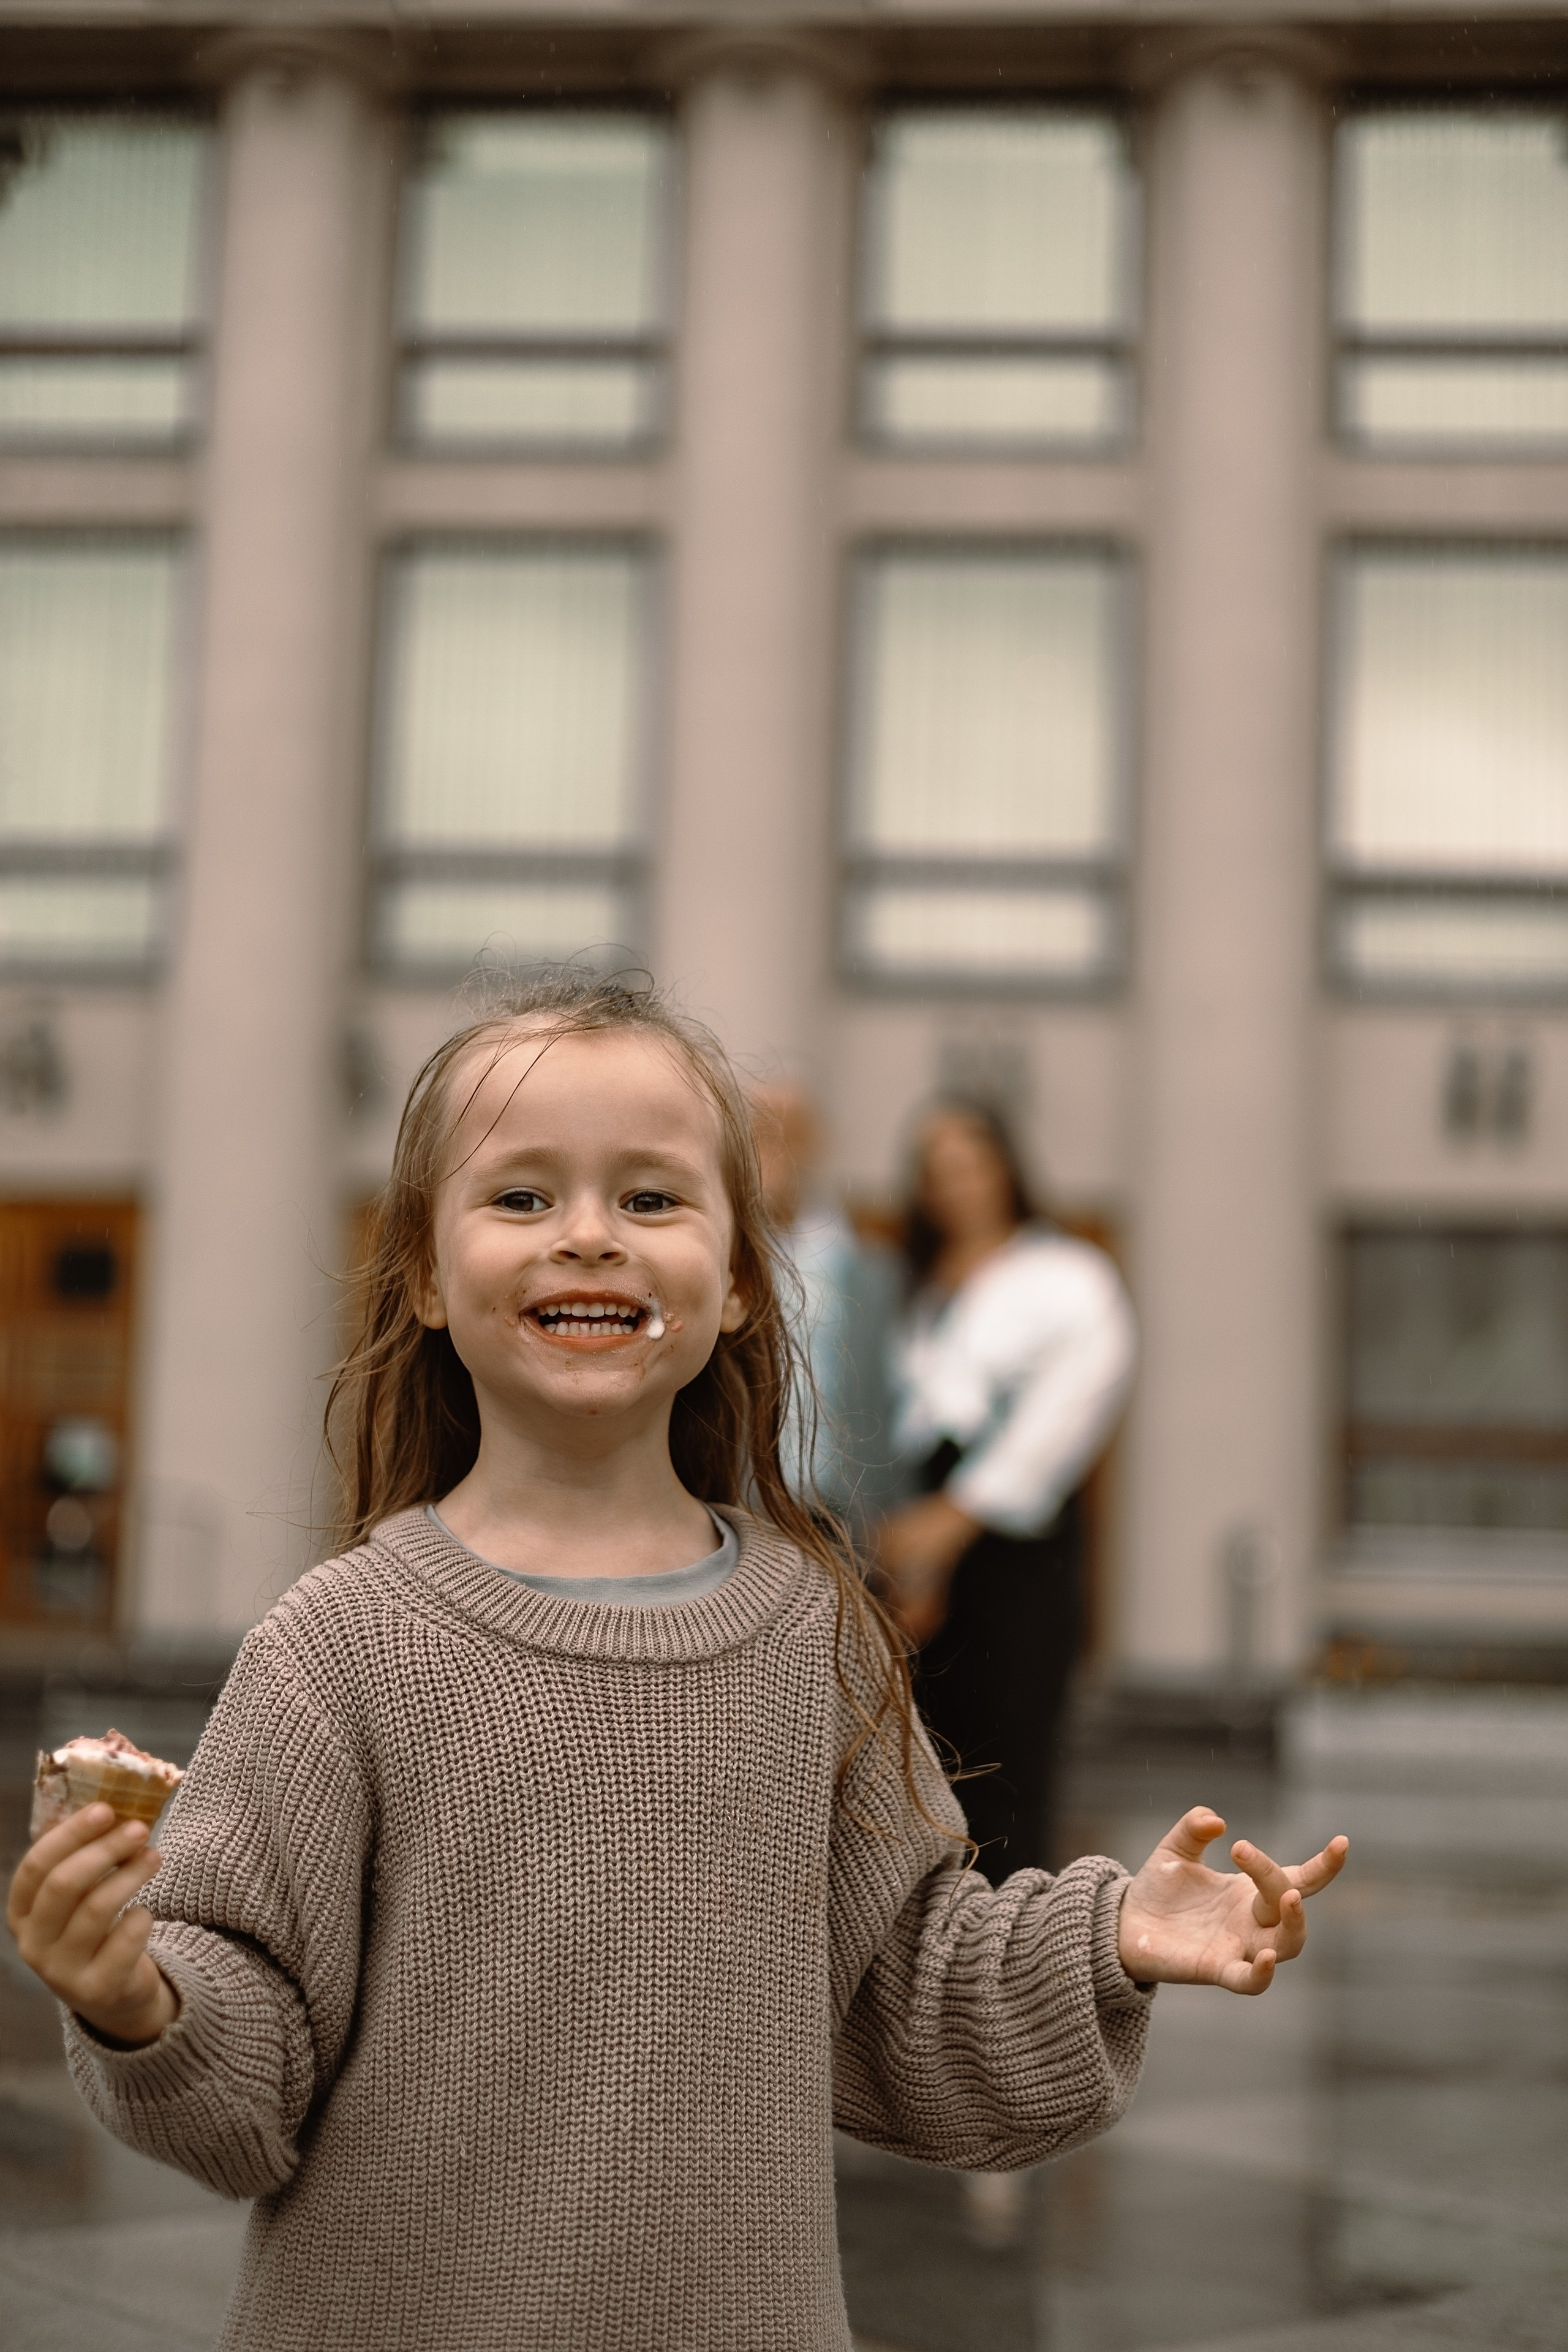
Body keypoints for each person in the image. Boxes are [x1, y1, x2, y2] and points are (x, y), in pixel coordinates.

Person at [6, 969, 1346, 2352]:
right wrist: (134, 1995)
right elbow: (248, 2078)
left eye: (650, 1198)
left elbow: (910, 1992)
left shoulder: (811, 1631)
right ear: (422, 1273)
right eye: (521, 1196)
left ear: (746, 1282)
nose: (589, 1235)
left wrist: (1107, 1937)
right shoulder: (336, 1644)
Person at [881, 1098, 1136, 1883]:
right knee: (926, 1765)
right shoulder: (912, 1289)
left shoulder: (1067, 1276)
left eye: (969, 1165)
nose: (954, 1185)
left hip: (1014, 1544)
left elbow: (1065, 1415)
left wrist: (957, 1516)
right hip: (914, 1543)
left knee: (1007, 1763)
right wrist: (912, 1549)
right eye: (937, 1171)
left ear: (1005, 1171)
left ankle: (1013, 1941)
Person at [750, 1080, 901, 1534]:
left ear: (816, 1144)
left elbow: (885, 1399)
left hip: (839, 1507)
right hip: (740, 1500)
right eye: (762, 1132)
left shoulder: (868, 1268)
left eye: (791, 1133)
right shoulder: (720, 1258)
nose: (777, 1148)